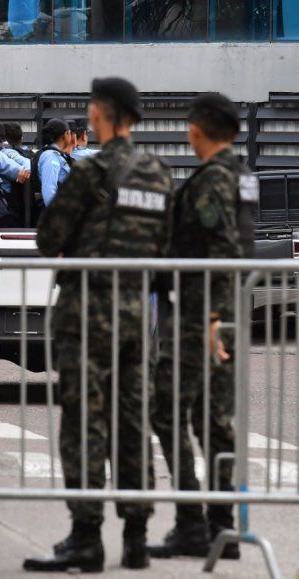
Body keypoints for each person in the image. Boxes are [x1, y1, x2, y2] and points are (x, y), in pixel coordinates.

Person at [25, 78, 175, 573]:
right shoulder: (158, 173)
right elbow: (166, 246)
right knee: (133, 423)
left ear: (102, 113)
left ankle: (86, 536)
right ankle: (136, 537)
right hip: (136, 316)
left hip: (87, 314)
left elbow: (49, 237)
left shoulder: (92, 172)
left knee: (84, 424)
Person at [147, 94, 255, 561]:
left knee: (167, 410)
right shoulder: (243, 176)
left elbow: (224, 249)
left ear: (198, 129)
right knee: (214, 421)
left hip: (199, 317)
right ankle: (222, 527)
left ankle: (194, 523)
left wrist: (210, 319)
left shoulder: (213, 179)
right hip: (223, 313)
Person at [0, 123, 31, 226]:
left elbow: (26, 163)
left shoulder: (6, 153)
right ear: (22, 138)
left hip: (8, 204)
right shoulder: (30, 151)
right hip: (24, 206)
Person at [32, 118, 73, 208]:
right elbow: (49, 191)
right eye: (70, 133)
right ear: (66, 134)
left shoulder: (57, 155)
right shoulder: (50, 156)